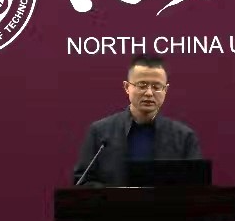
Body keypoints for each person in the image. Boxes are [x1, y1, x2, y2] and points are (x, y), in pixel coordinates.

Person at [73, 54, 202, 186]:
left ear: (166, 90)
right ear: (126, 87)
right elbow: (82, 182)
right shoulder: (100, 133)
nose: (149, 93)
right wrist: (115, 195)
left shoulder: (184, 138)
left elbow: (196, 188)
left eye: (156, 87)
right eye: (142, 85)